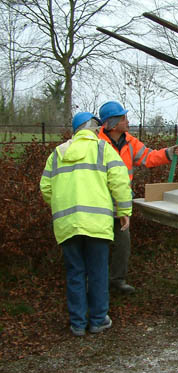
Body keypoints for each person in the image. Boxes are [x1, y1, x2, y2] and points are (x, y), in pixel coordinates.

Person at [40, 112, 132, 336]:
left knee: (75, 273)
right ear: (91, 127)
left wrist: (64, 208)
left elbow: (46, 188)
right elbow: (119, 182)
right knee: (98, 272)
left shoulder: (58, 153)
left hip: (67, 225)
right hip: (97, 224)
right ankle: (98, 320)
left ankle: (78, 323)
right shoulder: (103, 149)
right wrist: (124, 211)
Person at [97, 101, 178, 294]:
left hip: (120, 204)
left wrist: (168, 153)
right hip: (99, 203)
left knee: (122, 243)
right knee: (98, 246)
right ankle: (96, 283)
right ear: (112, 123)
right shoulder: (97, 143)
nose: (128, 121)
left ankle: (116, 281)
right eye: (124, 118)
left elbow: (148, 157)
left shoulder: (130, 142)